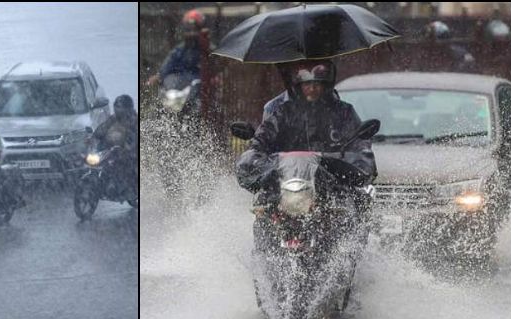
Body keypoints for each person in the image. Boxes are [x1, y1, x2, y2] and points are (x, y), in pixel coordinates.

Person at [237, 59, 377, 195]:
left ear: (326, 84)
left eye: (317, 83)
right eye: (307, 83)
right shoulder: (283, 113)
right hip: (286, 185)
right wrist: (255, 158)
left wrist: (352, 163)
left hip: (333, 186)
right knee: (263, 205)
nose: (312, 88)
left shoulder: (344, 112)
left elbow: (359, 147)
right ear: (298, 85)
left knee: (356, 203)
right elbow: (261, 141)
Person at [145, 9, 209, 87]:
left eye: (195, 30)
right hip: (180, 87)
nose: (192, 33)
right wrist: (159, 76)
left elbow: (214, 70)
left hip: (199, 86)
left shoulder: (209, 50)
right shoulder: (179, 50)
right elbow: (168, 66)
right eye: (188, 30)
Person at [90, 95, 138, 197]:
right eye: (117, 106)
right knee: (100, 162)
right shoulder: (113, 118)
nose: (118, 109)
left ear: (128, 108)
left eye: (121, 107)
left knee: (121, 165)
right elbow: (103, 128)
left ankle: (127, 188)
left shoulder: (134, 120)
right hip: (111, 149)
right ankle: (105, 184)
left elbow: (134, 136)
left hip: (129, 152)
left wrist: (128, 147)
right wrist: (93, 138)